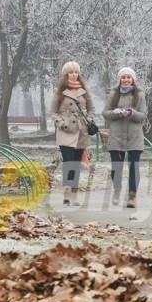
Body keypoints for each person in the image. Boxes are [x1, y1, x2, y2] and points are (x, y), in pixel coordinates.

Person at [50, 61, 95, 206]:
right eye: (71, 72)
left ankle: (74, 193)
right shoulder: (59, 91)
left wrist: (88, 119)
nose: (74, 74)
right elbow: (52, 112)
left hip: (81, 130)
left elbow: (91, 109)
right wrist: (61, 123)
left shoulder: (85, 89)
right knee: (68, 162)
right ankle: (67, 191)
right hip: (66, 130)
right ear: (66, 74)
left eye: (76, 72)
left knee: (76, 163)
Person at [102, 67, 146, 208]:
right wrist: (116, 113)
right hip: (116, 136)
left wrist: (132, 113)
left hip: (134, 136)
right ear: (120, 79)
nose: (126, 80)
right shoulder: (113, 94)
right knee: (116, 166)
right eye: (123, 77)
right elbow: (105, 113)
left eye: (128, 77)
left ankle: (132, 196)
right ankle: (117, 190)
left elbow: (143, 116)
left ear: (133, 79)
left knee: (134, 167)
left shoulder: (140, 95)